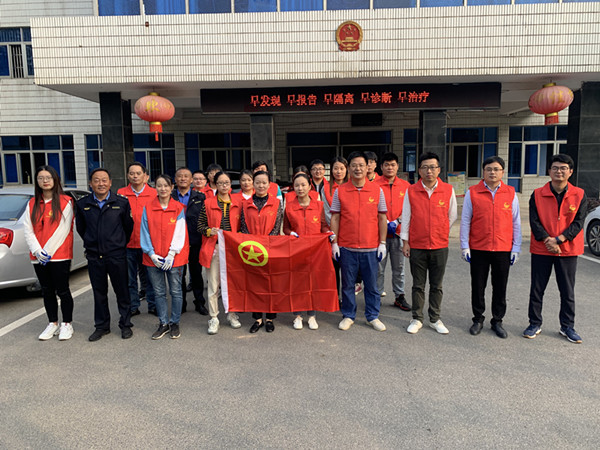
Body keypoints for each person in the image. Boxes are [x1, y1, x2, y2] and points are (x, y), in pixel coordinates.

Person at [523, 154, 588, 343]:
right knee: (537, 288)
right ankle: (534, 323)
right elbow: (534, 221)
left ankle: (567, 326)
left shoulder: (579, 194)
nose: (559, 171)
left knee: (567, 290)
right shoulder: (537, 194)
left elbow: (579, 222)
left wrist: (559, 240)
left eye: (563, 168)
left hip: (568, 249)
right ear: (549, 171)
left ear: (570, 172)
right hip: (542, 248)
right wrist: (548, 240)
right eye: (555, 168)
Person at [460, 156, 522, 339]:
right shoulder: (473, 192)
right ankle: (478, 319)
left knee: (500, 287)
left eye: (496, 169)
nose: (492, 172)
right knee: (478, 286)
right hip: (479, 247)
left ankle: (497, 320)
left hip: (503, 248)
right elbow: (465, 220)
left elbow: (516, 222)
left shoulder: (510, 193)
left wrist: (516, 247)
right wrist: (464, 245)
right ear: (483, 172)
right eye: (488, 169)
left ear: (502, 172)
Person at [330, 151, 388, 332]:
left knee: (372, 285)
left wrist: (383, 243)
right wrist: (334, 242)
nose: (358, 168)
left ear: (367, 167)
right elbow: (335, 218)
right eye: (354, 165)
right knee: (348, 284)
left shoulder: (377, 190)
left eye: (361, 165)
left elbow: (382, 217)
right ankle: (348, 315)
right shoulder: (340, 191)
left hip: (371, 247)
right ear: (349, 168)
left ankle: (373, 316)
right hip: (347, 247)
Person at [401, 152, 457, 335]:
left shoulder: (448, 190)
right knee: (418, 285)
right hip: (417, 245)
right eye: (425, 167)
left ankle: (434, 318)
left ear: (439, 170)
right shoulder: (411, 190)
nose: (429, 171)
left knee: (436, 285)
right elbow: (406, 217)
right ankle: (417, 318)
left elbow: (452, 216)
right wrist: (405, 242)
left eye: (432, 167)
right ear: (419, 170)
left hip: (439, 246)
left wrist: (440, 231)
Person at [75, 168, 134, 341]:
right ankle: (102, 326)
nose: (100, 183)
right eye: (96, 180)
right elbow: (81, 228)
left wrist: (117, 244)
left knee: (122, 291)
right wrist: (93, 243)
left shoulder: (121, 202)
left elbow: (128, 227)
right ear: (90, 184)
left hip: (116, 255)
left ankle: (125, 324)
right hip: (95, 256)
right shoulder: (82, 204)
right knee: (99, 293)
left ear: (110, 183)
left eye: (104, 180)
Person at [24, 165, 75, 341]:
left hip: (59, 255)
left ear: (55, 180)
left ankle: (67, 323)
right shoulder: (32, 203)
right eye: (41, 178)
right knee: (47, 291)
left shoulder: (66, 201)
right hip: (38, 257)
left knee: (63, 290)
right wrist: (38, 251)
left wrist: (47, 252)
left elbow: (63, 229)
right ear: (36, 181)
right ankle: (52, 323)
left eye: (48, 177)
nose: (45, 181)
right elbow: (28, 230)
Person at [141, 174, 189, 340]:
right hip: (153, 258)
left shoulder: (178, 208)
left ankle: (175, 322)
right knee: (159, 292)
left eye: (166, 185)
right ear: (155, 187)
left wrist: (171, 253)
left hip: (174, 258)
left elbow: (180, 233)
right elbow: (144, 232)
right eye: (159, 185)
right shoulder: (148, 208)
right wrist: (151, 253)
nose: (163, 189)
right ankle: (163, 323)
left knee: (176, 291)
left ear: (172, 187)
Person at [283, 172, 332, 330]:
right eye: (297, 185)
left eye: (303, 185)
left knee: (313, 283)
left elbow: (323, 225)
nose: (300, 188)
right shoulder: (289, 207)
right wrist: (290, 233)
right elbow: (286, 228)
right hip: (296, 250)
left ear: (310, 186)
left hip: (315, 251)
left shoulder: (318, 205)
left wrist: (328, 233)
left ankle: (312, 315)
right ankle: (297, 315)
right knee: (297, 283)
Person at [198, 171, 243, 335]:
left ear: (230, 184)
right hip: (214, 248)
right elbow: (200, 225)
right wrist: (209, 231)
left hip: (232, 250)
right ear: (215, 184)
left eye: (227, 183)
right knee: (213, 285)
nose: (224, 186)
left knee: (232, 285)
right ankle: (214, 317)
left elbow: (242, 226)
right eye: (221, 183)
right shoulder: (208, 203)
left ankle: (232, 314)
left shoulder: (238, 203)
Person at [240, 170, 284, 333]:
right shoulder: (246, 204)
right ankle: (257, 318)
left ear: (269, 184)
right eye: (257, 182)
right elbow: (243, 227)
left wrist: (266, 244)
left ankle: (270, 318)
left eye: (264, 182)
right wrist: (253, 245)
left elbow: (276, 227)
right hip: (252, 250)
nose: (261, 185)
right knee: (254, 285)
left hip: (271, 249)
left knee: (270, 284)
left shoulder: (276, 203)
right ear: (253, 184)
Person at [117, 162, 157, 317]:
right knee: (129, 279)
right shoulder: (121, 193)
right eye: (132, 173)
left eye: (138, 173)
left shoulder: (154, 193)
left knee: (151, 277)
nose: (135, 176)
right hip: (127, 244)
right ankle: (133, 306)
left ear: (145, 176)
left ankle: (153, 305)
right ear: (127, 175)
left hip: (148, 244)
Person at [375, 152, 411, 310]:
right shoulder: (374, 185)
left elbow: (410, 209)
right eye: (387, 165)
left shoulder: (406, 186)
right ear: (381, 167)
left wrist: (397, 221)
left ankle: (399, 296)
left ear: (397, 167)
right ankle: (376, 296)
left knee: (399, 268)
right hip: (379, 234)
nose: (390, 167)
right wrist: (384, 222)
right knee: (378, 268)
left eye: (393, 165)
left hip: (399, 233)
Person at [172, 167, 208, 315]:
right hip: (176, 242)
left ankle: (199, 302)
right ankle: (181, 304)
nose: (183, 179)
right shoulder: (170, 196)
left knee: (196, 273)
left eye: (186, 176)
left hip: (195, 241)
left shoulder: (200, 197)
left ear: (191, 180)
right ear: (175, 179)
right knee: (179, 275)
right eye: (180, 176)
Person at [323, 156, 348, 297]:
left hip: (349, 233)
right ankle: (336, 298)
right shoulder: (326, 188)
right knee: (334, 268)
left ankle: (347, 298)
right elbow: (327, 212)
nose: (339, 171)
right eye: (336, 168)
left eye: (342, 168)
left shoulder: (351, 186)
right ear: (331, 170)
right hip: (332, 233)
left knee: (348, 269)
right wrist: (333, 231)